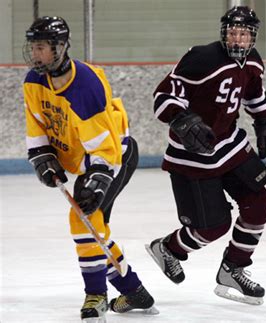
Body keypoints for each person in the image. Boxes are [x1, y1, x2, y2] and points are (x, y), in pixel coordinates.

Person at [23, 16, 157, 322]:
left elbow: (105, 147)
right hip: (84, 158)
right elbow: (37, 124)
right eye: (33, 47)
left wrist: (97, 180)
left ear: (59, 48)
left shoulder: (85, 85)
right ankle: (133, 289)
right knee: (93, 229)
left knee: (81, 221)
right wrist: (42, 155)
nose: (35, 54)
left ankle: (95, 295)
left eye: (41, 47)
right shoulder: (33, 80)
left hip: (112, 158)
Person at [146, 6, 266, 305]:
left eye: (243, 33)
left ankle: (233, 268)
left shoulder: (254, 62)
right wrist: (182, 120)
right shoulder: (202, 58)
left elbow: (254, 94)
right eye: (232, 32)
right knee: (212, 227)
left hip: (229, 144)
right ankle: (169, 248)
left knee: (259, 203)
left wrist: (265, 123)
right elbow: (163, 97)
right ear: (224, 33)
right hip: (192, 154)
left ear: (252, 37)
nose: (237, 38)